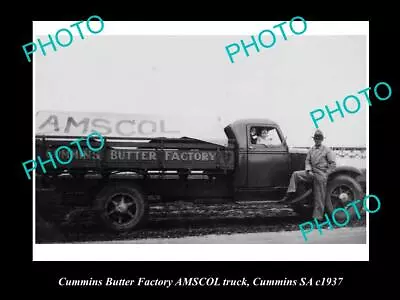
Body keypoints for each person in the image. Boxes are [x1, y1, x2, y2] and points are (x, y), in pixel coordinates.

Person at [280, 129, 336, 220]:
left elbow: (333, 164)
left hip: (321, 174)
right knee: (296, 174)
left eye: (319, 138)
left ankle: (317, 217)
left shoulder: (327, 150)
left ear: (322, 139)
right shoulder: (311, 150)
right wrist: (308, 170)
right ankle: (290, 193)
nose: (317, 140)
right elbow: (307, 161)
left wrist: (326, 174)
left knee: (319, 196)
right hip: (311, 172)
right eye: (316, 138)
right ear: (314, 139)